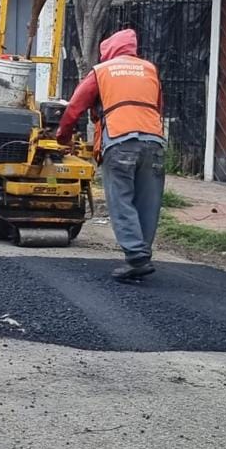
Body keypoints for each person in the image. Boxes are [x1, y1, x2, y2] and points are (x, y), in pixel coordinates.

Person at [57, 28, 166, 282]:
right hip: (154, 142)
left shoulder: (102, 71)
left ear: (108, 50)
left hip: (121, 141)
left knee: (121, 199)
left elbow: (75, 106)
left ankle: (137, 257)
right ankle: (142, 255)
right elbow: (159, 106)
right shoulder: (149, 69)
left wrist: (63, 136)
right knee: (148, 203)